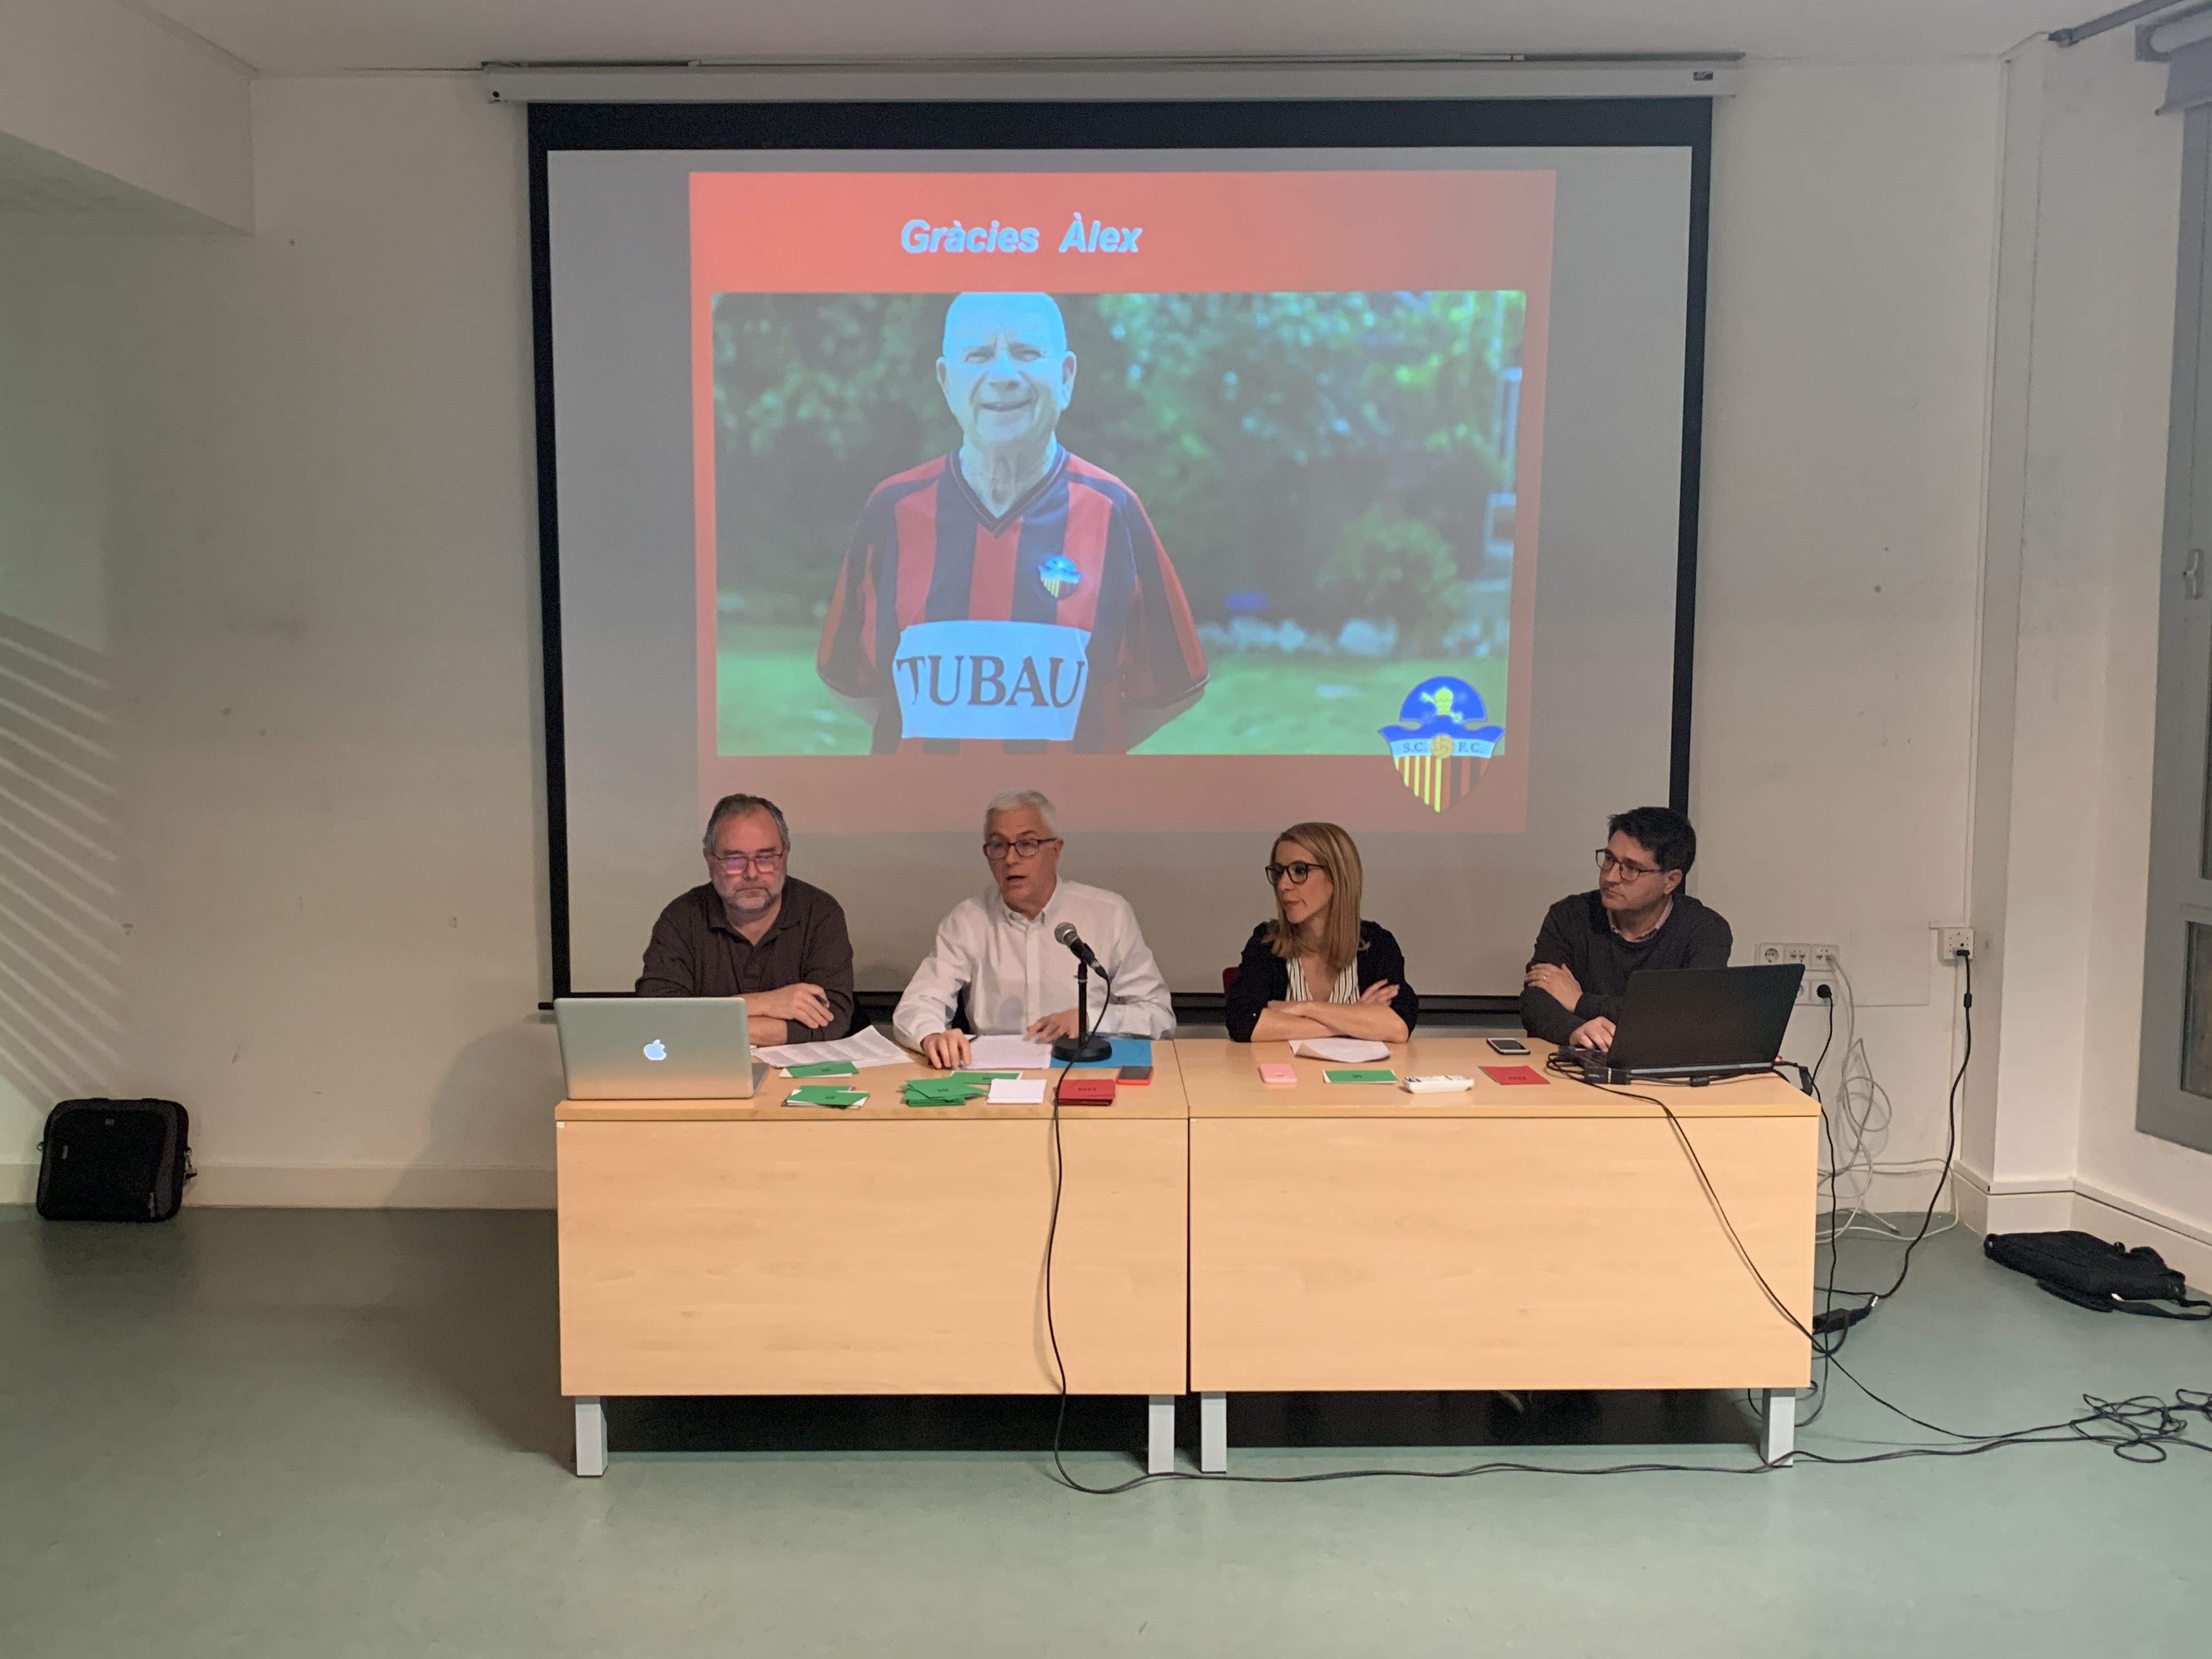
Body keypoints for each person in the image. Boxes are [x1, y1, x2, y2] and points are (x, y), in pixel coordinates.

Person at [816, 291, 1209, 754]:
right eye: (978, 355)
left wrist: (1082, 752)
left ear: (1066, 377)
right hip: (919, 804)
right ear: (947, 381)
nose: (1003, 376)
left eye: (1026, 353)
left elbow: (1171, 687)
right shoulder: (892, 510)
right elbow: (849, 679)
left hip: (1067, 805)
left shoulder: (1115, 511)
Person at [893, 789, 1175, 1068]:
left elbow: (1159, 1016)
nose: (1010, 859)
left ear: (1056, 850)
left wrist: (1089, 1018)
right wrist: (931, 1035)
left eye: (1027, 844)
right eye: (998, 846)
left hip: (1085, 1071)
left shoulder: (1108, 914)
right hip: (994, 1074)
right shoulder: (968, 920)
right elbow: (918, 1003)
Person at [636, 793, 856, 1046]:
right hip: (710, 1068)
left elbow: (832, 1019)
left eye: (766, 858)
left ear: (785, 856)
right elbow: (660, 1016)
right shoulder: (682, 918)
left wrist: (704, 1024)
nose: (751, 874)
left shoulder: (820, 912)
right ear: (710, 861)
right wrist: (767, 1003)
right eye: (734, 860)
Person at [1519, 805, 1733, 1051]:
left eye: (1632, 868)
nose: (1610, 877)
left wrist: (1580, 1002)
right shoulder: (1570, 915)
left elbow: (1686, 1019)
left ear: (1671, 881)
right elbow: (1536, 1000)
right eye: (1610, 859)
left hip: (1660, 1063)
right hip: (1578, 1059)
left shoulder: (1705, 931)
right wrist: (1575, 1030)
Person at [1224, 822, 1418, 1043]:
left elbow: (1398, 1026)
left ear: (1337, 876)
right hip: (1283, 1067)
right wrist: (1353, 1020)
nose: (1283, 885)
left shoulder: (1376, 944)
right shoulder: (1267, 942)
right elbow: (1244, 1022)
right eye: (1278, 872)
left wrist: (1307, 1008)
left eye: (1300, 871)